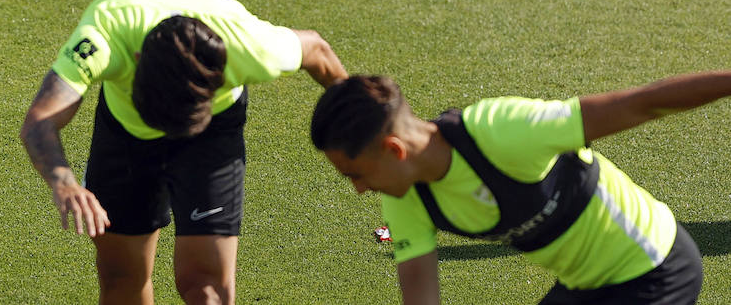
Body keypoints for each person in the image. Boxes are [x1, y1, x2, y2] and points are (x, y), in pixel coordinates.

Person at [21, 0, 347, 304]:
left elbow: (317, 51)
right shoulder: (104, 35)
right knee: (122, 277)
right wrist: (64, 182)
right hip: (127, 136)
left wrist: (358, 118)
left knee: (206, 288)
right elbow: (41, 120)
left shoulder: (250, 47)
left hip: (209, 133)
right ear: (136, 59)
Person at [310, 72, 731, 304]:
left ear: (394, 150)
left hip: (656, 268)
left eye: (355, 174)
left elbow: (637, 104)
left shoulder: (502, 132)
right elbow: (420, 296)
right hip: (585, 288)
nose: (359, 190)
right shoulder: (407, 196)